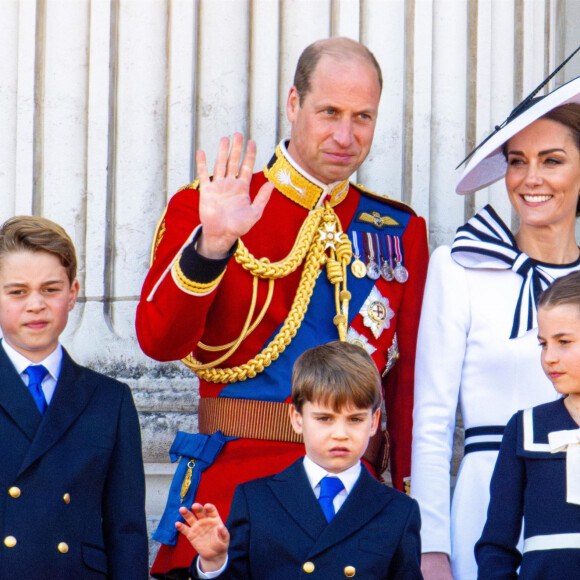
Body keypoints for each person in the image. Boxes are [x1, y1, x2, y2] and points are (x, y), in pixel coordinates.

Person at [136, 37, 429, 577]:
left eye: (362, 116)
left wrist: (410, 504)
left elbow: (406, 387)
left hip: (353, 513)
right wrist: (212, 246)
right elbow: (158, 340)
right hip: (232, 501)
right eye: (329, 113)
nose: (346, 136)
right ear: (294, 105)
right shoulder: (213, 202)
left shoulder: (398, 230)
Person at [411, 75, 580, 580]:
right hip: (482, 508)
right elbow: (432, 420)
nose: (531, 178)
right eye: (516, 161)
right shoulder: (459, 266)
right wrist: (431, 544)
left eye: (551, 160)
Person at [176, 341, 422, 579]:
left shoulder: (398, 511)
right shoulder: (256, 500)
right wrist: (214, 563)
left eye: (355, 419)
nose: (340, 434)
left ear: (375, 421)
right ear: (297, 418)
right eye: (324, 418)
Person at [0, 216, 148, 578]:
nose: (36, 305)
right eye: (17, 291)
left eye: (50, 289)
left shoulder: (109, 400)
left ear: (73, 293)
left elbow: (126, 531)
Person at [476, 270, 580, 579]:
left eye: (563, 342)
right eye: (543, 344)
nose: (549, 357)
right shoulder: (524, 428)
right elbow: (496, 545)